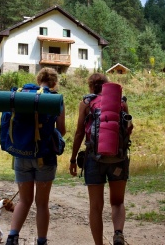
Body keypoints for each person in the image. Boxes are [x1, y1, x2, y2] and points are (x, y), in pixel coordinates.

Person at [69, 73, 133, 245]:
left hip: (93, 159)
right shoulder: (121, 102)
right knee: (118, 202)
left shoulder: (86, 104)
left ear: (91, 87)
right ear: (107, 85)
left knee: (96, 207)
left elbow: (79, 133)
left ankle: (99, 244)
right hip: (118, 158)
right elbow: (129, 128)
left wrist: (73, 159)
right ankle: (118, 233)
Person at [6, 67, 66, 245]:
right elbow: (61, 130)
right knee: (41, 203)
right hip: (44, 157)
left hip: (21, 155)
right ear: (54, 83)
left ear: (38, 79)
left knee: (24, 201)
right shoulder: (55, 99)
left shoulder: (22, 95)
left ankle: (12, 237)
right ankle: (41, 241)